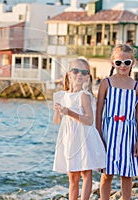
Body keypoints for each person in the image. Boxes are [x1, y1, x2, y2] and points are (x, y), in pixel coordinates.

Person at [96, 44, 138, 200]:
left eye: (127, 62)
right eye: (119, 62)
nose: (123, 66)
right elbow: (99, 111)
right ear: (113, 63)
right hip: (109, 133)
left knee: (127, 173)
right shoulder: (106, 83)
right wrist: (98, 136)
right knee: (107, 173)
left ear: (132, 63)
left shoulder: (137, 87)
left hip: (128, 134)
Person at [53, 58, 106, 200]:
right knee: (72, 177)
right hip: (69, 138)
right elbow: (57, 121)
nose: (79, 75)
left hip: (84, 136)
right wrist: (58, 111)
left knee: (85, 172)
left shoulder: (84, 96)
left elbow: (89, 120)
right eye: (76, 71)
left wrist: (69, 112)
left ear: (88, 77)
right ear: (69, 74)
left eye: (83, 72)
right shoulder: (61, 95)